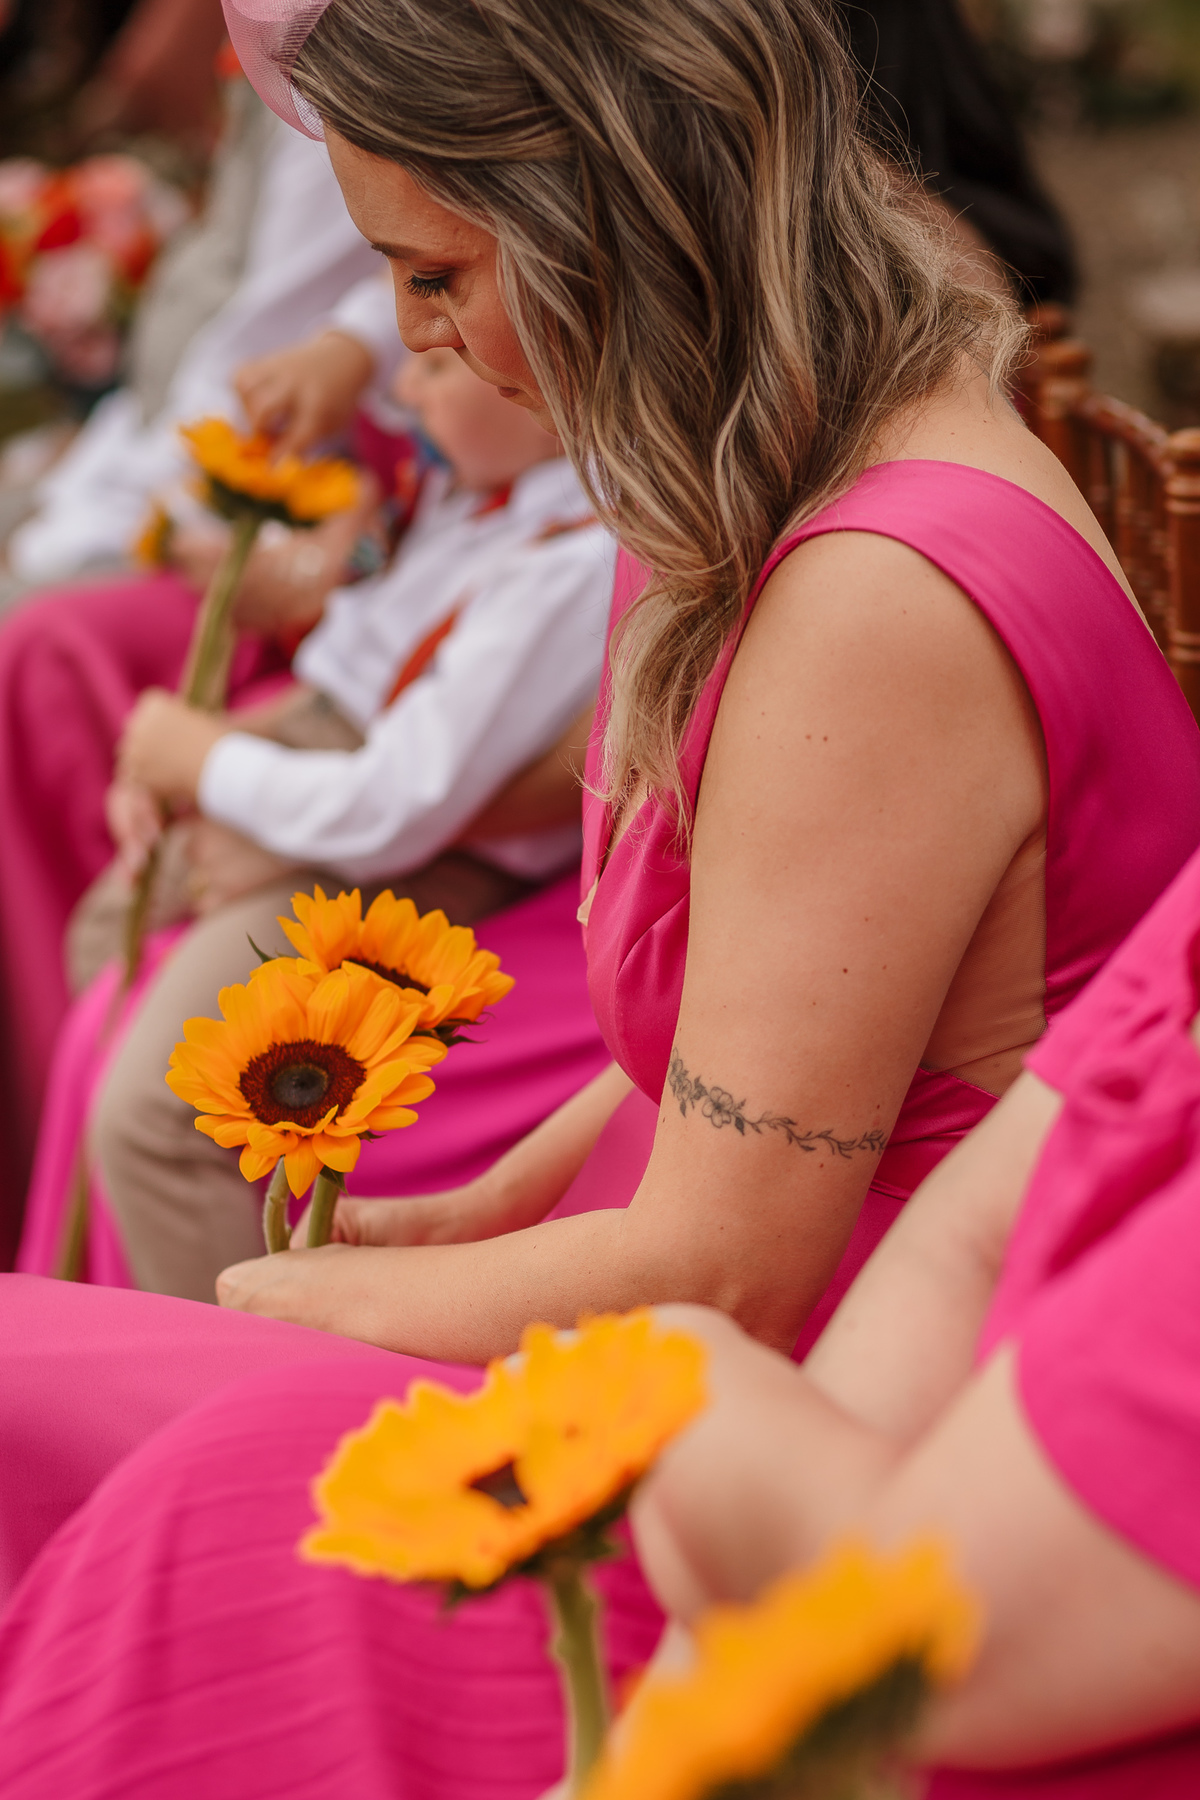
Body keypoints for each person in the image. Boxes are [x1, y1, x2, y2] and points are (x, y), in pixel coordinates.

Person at [0, 0, 1197, 1790]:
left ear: (604, 215)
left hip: (771, 1477)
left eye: (428, 272)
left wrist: (292, 1313)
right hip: (692, 1374)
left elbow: (727, 1264)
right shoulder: (773, 465)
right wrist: (477, 1204)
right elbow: (751, 1041)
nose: (409, 339)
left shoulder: (872, 600)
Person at [16, 345, 613, 1299]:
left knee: (156, 1116)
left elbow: (403, 800)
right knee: (107, 926)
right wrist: (210, 749)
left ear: (552, 387)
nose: (402, 390)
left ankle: (224, 1369)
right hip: (325, 769)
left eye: (437, 366)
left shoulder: (572, 562)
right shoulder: (471, 487)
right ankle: (111, 1268)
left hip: (397, 843)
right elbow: (351, 665)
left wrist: (210, 766)